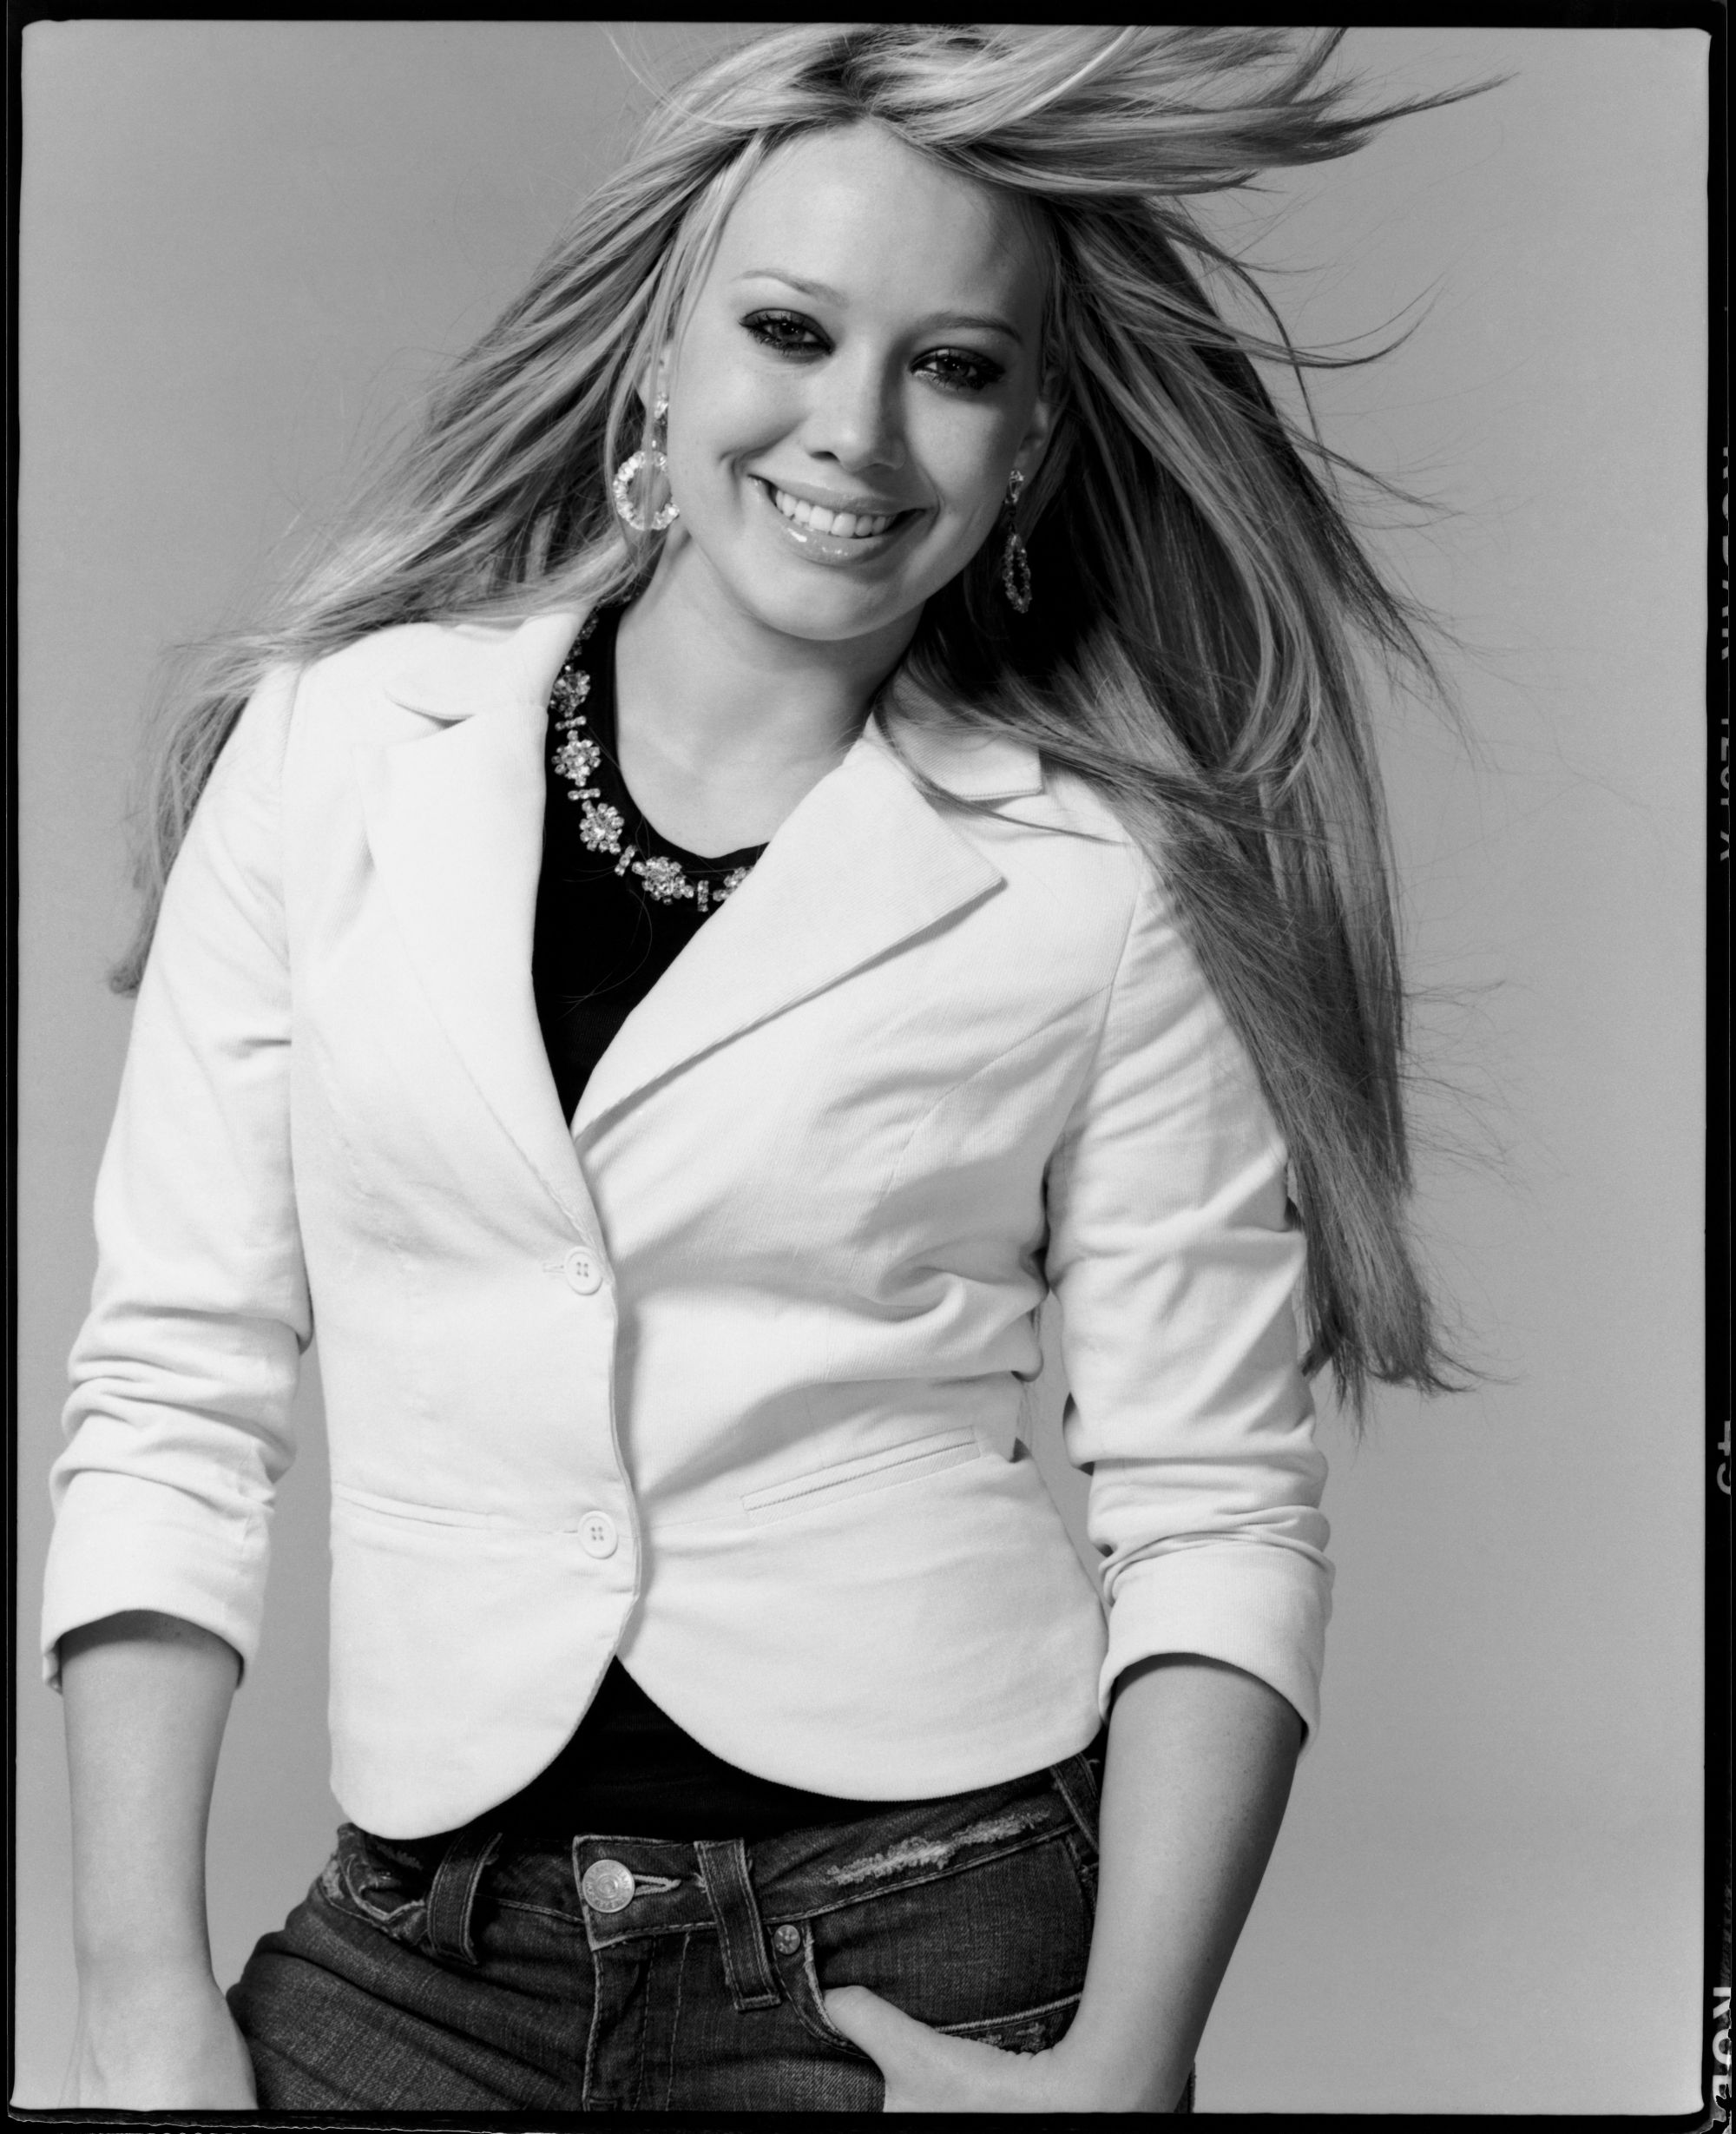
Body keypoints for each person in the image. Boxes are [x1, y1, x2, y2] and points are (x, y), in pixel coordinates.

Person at [44, 23, 1472, 2114]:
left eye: (952, 366)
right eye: (789, 329)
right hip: (421, 1942)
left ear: (1030, 441)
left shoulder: (1099, 880)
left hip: (926, 1927)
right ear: (659, 350)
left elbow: (1215, 1501)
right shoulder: (340, 748)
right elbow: (175, 1384)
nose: (855, 430)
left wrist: (1128, 2057)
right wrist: (137, 1988)